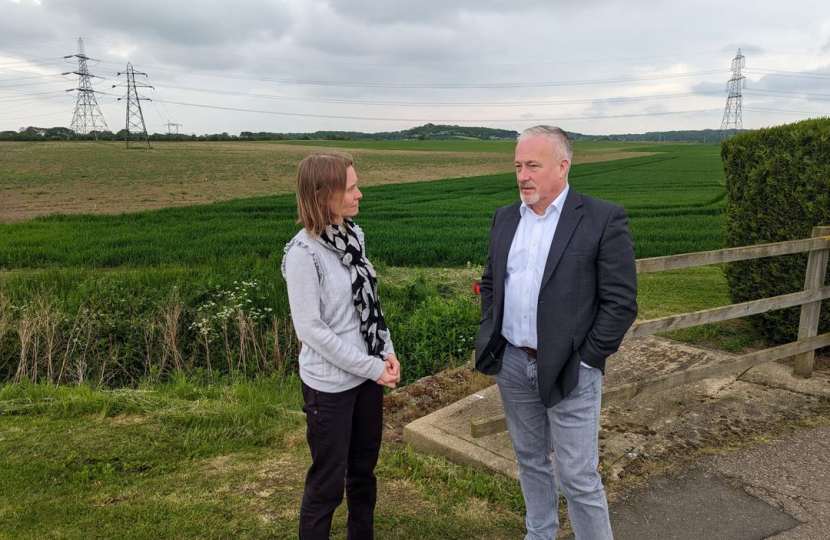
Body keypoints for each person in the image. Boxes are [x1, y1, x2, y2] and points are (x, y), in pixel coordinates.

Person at [475, 126, 637, 540]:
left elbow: (620, 302)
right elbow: (492, 281)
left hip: (571, 368)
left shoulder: (602, 218)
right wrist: (492, 330)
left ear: (563, 167)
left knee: (578, 476)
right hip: (513, 362)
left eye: (532, 165)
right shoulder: (505, 217)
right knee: (530, 460)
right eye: (517, 166)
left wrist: (586, 359)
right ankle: (540, 533)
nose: (522, 175)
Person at [282, 152, 401, 540]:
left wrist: (387, 351)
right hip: (329, 387)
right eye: (350, 188)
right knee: (327, 485)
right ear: (322, 195)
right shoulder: (302, 255)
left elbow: (368, 302)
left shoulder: (353, 236)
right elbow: (311, 331)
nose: (359, 194)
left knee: (363, 473)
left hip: (367, 377)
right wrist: (372, 367)